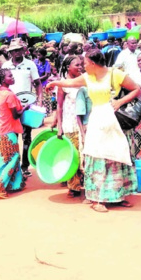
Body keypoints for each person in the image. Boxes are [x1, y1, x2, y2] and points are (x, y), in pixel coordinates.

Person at [47, 49, 141, 213]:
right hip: (97, 119)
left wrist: (120, 101)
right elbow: (70, 83)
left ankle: (118, 196)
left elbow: (136, 89)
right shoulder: (87, 77)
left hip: (113, 120)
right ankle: (97, 198)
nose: (83, 66)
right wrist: (55, 83)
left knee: (115, 155)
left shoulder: (115, 74)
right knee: (97, 155)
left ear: (92, 63)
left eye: (84, 63)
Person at [2, 38, 43, 178]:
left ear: (24, 50)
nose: (17, 53)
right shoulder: (6, 66)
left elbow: (37, 83)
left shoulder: (30, 64)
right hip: (11, 107)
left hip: (27, 106)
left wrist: (40, 100)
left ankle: (24, 166)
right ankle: (13, 165)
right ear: (10, 53)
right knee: (12, 137)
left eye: (19, 49)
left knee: (26, 137)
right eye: (14, 51)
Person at [53, 56, 92, 197]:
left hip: (86, 122)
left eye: (82, 64)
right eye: (77, 65)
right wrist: (59, 126)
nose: (80, 67)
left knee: (86, 153)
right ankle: (74, 185)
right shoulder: (63, 84)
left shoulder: (86, 80)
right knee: (73, 154)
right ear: (68, 67)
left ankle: (88, 183)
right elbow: (59, 106)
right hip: (70, 123)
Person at [0, 69, 29, 199]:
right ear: (3, 79)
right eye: (10, 76)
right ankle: (0, 188)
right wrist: (25, 108)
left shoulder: (0, 91)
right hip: (8, 132)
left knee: (2, 160)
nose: (12, 78)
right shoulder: (9, 95)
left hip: (0, 130)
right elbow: (15, 114)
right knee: (12, 159)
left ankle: (15, 184)